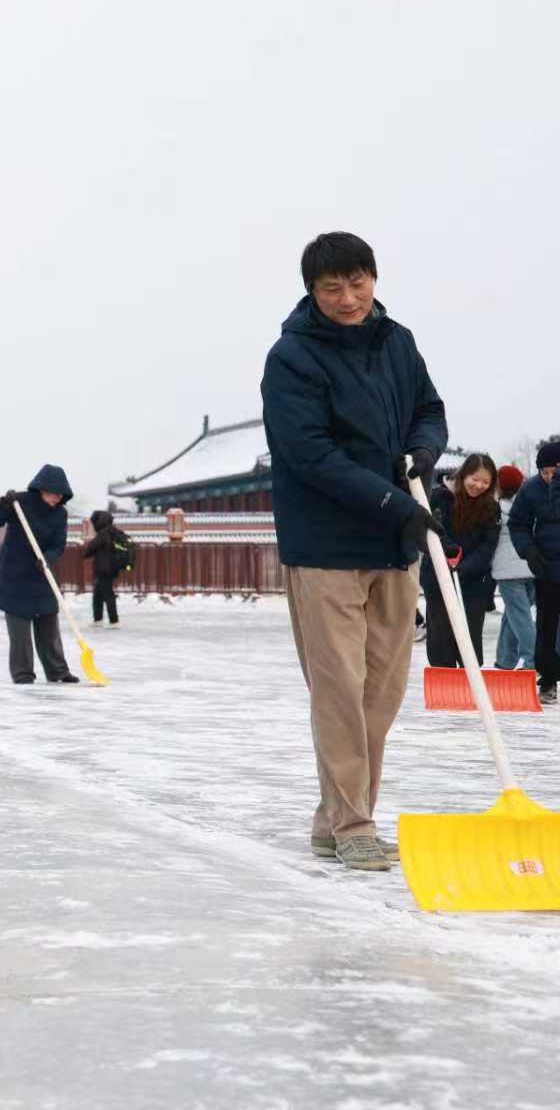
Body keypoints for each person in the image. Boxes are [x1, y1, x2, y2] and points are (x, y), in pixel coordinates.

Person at [261, 231, 446, 871]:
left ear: (374, 277)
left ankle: (334, 818)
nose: (348, 297)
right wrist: (392, 500)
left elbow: (429, 408)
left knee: (382, 691)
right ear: (312, 291)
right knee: (340, 686)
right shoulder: (292, 358)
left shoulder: (398, 342)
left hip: (394, 543)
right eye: (332, 287)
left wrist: (423, 452)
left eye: (357, 281)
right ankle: (356, 821)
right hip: (326, 544)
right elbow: (309, 453)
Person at [0, 468, 79, 685]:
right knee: (20, 634)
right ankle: (23, 674)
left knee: (48, 627)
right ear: (42, 489)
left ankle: (58, 671)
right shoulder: (20, 503)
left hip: (42, 574)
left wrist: (48, 558)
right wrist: (4, 504)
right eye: (55, 493)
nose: (58, 498)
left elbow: (58, 544)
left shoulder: (60, 513)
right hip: (14, 577)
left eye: (61, 495)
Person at [422, 454, 498, 670]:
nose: (479, 485)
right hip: (438, 576)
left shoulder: (491, 507)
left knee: (470, 637)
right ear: (464, 474)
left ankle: (470, 682)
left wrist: (464, 567)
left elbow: (488, 546)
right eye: (475, 478)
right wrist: (448, 551)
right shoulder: (440, 496)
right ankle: (444, 679)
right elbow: (433, 529)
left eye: (486, 481)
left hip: (473, 581)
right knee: (440, 637)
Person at [507, 439, 560, 704]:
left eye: (555, 473)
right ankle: (548, 679)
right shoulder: (530, 490)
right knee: (547, 625)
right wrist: (528, 551)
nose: (550, 478)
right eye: (545, 473)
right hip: (547, 567)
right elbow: (517, 523)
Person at [494, 465, 536, 671]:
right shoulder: (528, 506)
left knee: (520, 618)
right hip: (531, 567)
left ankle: (533, 661)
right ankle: (505, 660)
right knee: (514, 615)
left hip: (508, 572)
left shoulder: (496, 509)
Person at [82, 510, 131, 627]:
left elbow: (90, 548)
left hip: (103, 568)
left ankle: (114, 621)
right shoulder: (114, 531)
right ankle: (98, 619)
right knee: (98, 593)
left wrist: (86, 553)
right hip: (112, 567)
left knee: (107, 594)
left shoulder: (103, 533)